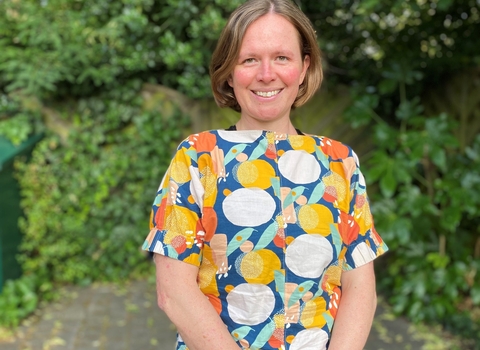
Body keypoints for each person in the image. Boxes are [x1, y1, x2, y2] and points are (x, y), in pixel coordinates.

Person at [142, 0, 388, 349]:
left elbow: (361, 289)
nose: (266, 74)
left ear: (304, 68)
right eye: (249, 59)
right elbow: (174, 292)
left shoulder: (340, 162)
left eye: (282, 58)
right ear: (229, 71)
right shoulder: (198, 158)